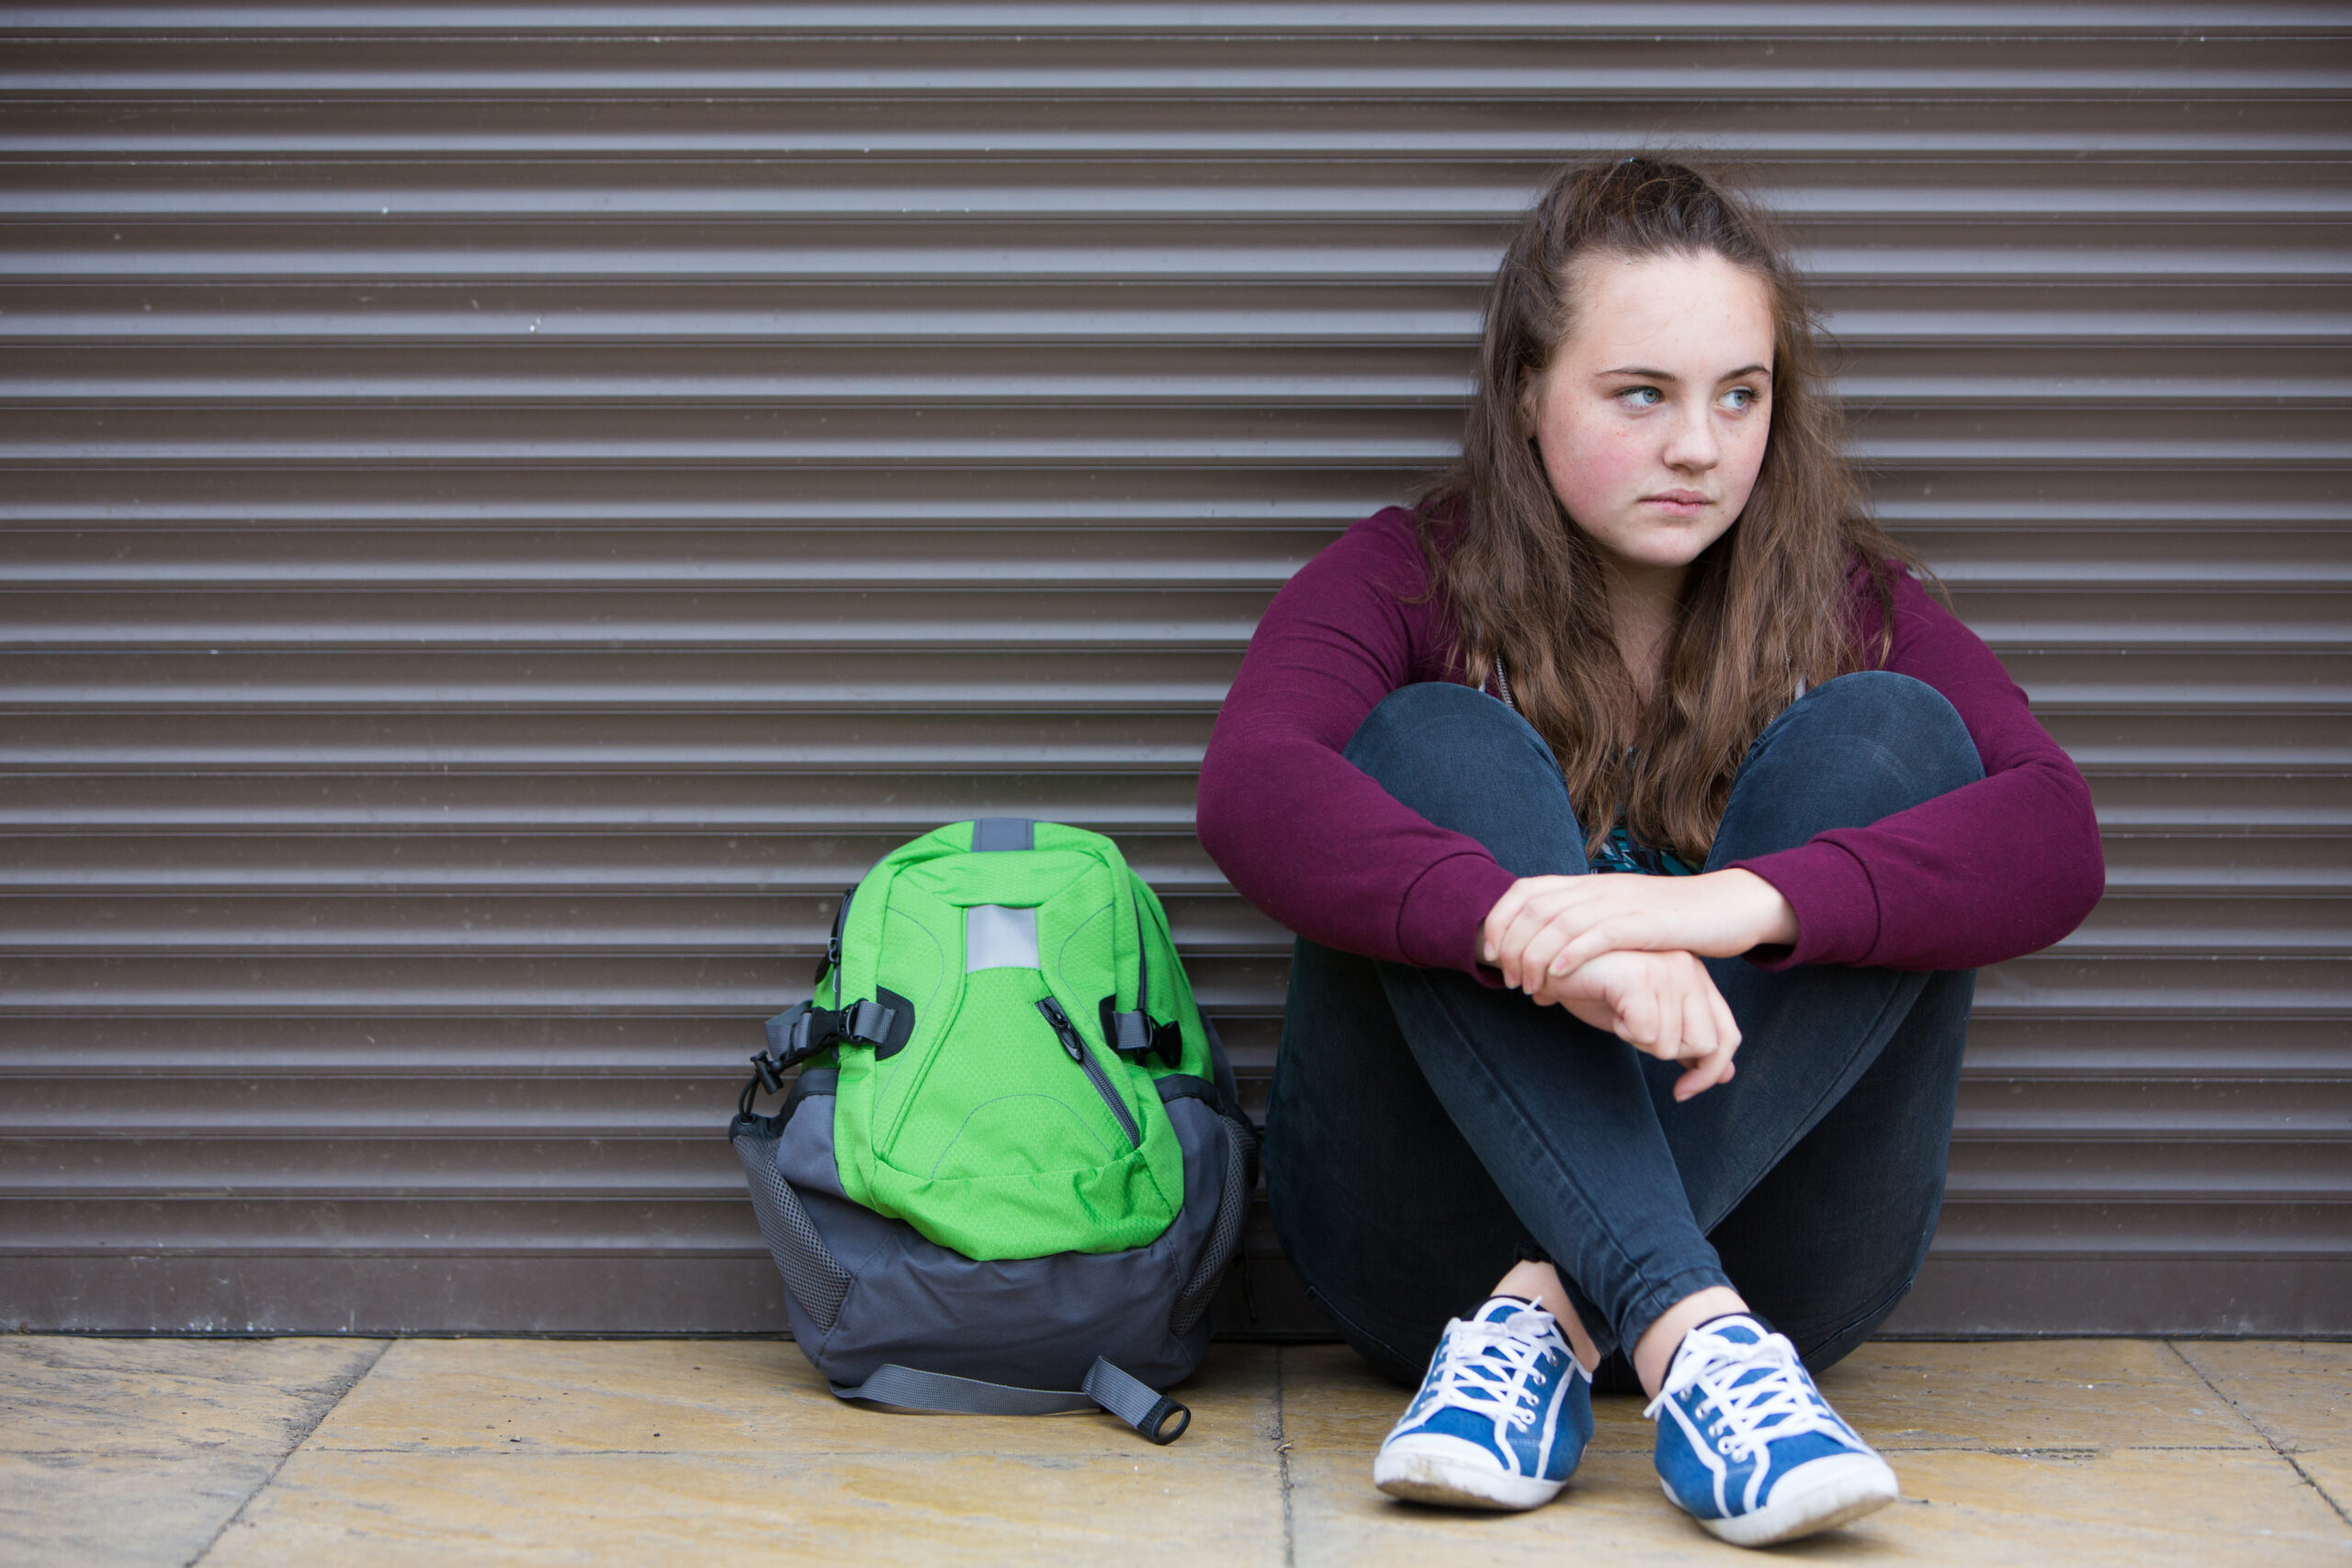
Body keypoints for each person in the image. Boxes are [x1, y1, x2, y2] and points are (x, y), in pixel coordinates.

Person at [1195, 156, 2104, 1547]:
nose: (1701, 447)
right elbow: (1255, 793)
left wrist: (1730, 912)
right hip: (1425, 1271)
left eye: (1740, 396)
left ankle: (1575, 1313)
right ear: (1523, 397)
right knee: (1436, 745)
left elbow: (2053, 835)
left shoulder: (1845, 603)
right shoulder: (1402, 583)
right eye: (1643, 395)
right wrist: (1520, 929)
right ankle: (1675, 1339)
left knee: (1902, 748)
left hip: (1778, 1269)